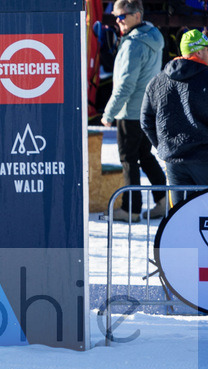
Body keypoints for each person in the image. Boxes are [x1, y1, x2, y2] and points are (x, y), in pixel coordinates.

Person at [101, 0, 168, 221]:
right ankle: (162, 202)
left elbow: (126, 84)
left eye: (122, 16)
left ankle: (131, 209)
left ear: (136, 15)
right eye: (115, 17)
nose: (118, 21)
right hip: (146, 109)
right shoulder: (153, 36)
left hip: (129, 111)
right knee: (144, 156)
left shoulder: (134, 44)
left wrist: (109, 112)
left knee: (128, 159)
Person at [141, 28, 208, 203]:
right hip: (204, 158)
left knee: (180, 218)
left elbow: (146, 120)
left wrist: (165, 145)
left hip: (174, 161)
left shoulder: (157, 80)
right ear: (199, 51)